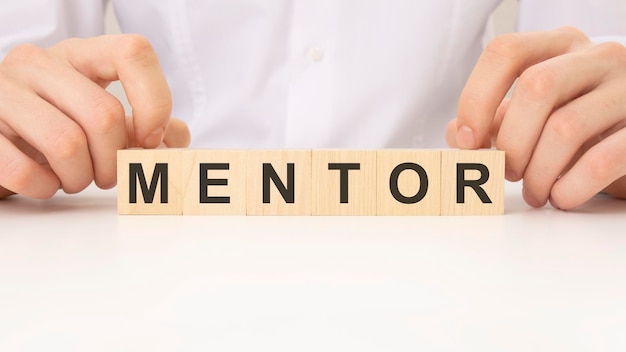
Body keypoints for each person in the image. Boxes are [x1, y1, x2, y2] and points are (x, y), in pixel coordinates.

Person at [0, 0, 625, 210]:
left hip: (478, 259)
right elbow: (23, 63)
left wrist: (604, 130)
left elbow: (590, 61)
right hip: (134, 263)